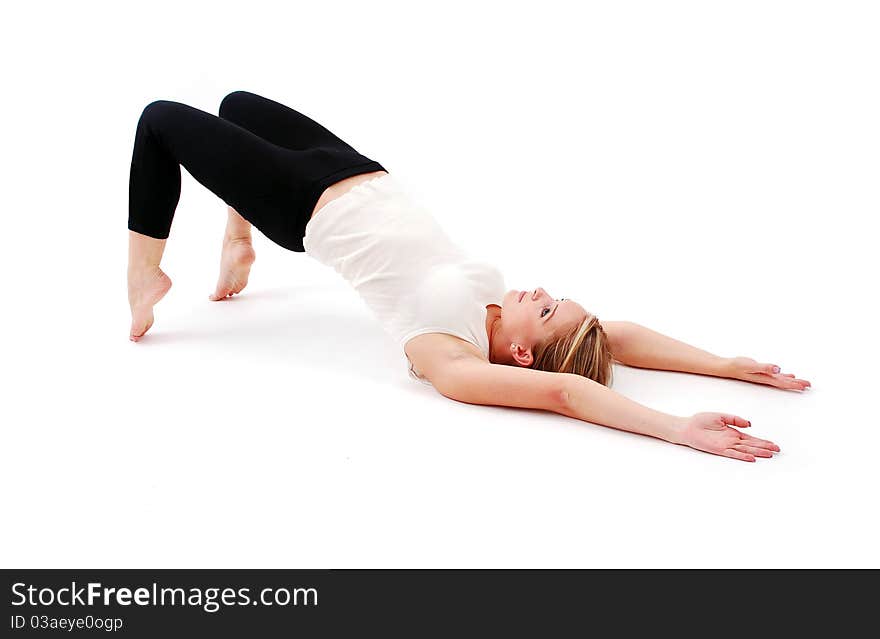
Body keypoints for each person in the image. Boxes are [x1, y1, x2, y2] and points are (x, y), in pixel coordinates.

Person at [127, 90, 811, 463]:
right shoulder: (498, 310)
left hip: (301, 204)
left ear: (518, 354)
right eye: (555, 297)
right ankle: (237, 237)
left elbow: (568, 392)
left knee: (159, 120)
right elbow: (616, 335)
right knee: (237, 103)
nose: (542, 293)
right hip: (357, 169)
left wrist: (676, 427)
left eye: (545, 312)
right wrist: (725, 363)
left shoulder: (445, 353)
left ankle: (145, 276)